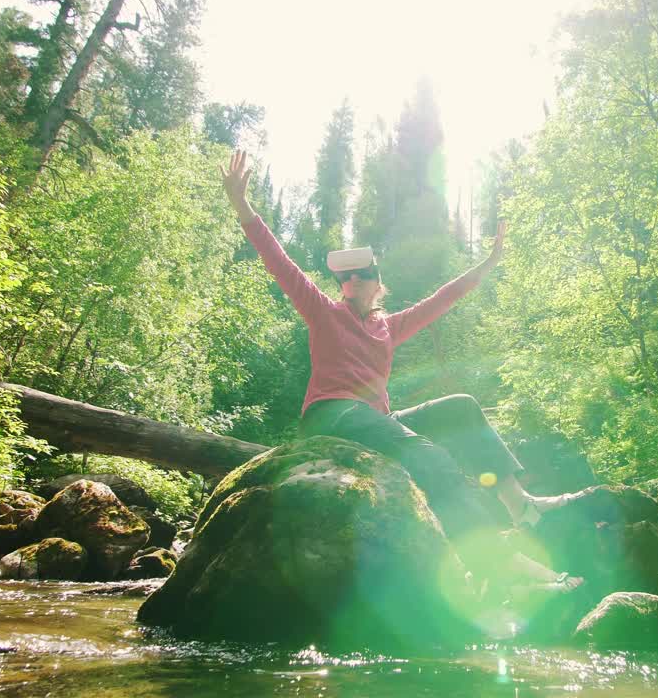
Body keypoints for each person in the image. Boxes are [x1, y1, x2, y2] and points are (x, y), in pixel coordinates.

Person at [220, 150, 585, 596]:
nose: (351, 281)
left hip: (375, 422)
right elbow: (280, 262)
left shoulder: (387, 327)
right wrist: (242, 205)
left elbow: (443, 298)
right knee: (427, 454)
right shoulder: (323, 312)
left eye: (361, 274)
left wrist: (488, 263)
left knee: (461, 408)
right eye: (345, 277)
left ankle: (520, 506)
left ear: (378, 282)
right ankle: (496, 563)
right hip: (332, 416)